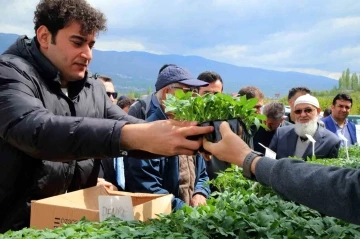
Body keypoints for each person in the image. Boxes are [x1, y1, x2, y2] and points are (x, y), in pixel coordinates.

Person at [0, 0, 212, 232]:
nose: (87, 54)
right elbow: (36, 130)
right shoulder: (10, 74)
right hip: (13, 226)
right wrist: (131, 135)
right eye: (77, 42)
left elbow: (128, 126)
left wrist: (190, 139)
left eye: (91, 44)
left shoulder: (91, 88)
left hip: (67, 226)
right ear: (43, 36)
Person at [202, 121, 360, 225]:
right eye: (298, 110)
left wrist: (250, 159)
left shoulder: (331, 139)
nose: (303, 115)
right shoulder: (283, 132)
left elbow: (345, 188)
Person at [124, 65, 210, 210]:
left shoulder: (190, 129)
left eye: (195, 92)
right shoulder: (147, 133)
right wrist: (186, 211)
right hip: (162, 222)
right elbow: (148, 188)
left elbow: (202, 174)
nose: (193, 98)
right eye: (187, 92)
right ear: (166, 94)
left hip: (188, 220)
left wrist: (201, 192)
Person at [269, 94, 340, 160]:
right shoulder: (281, 134)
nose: (302, 115)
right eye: (298, 111)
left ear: (318, 111)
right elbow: (269, 162)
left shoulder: (331, 141)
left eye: (308, 110)